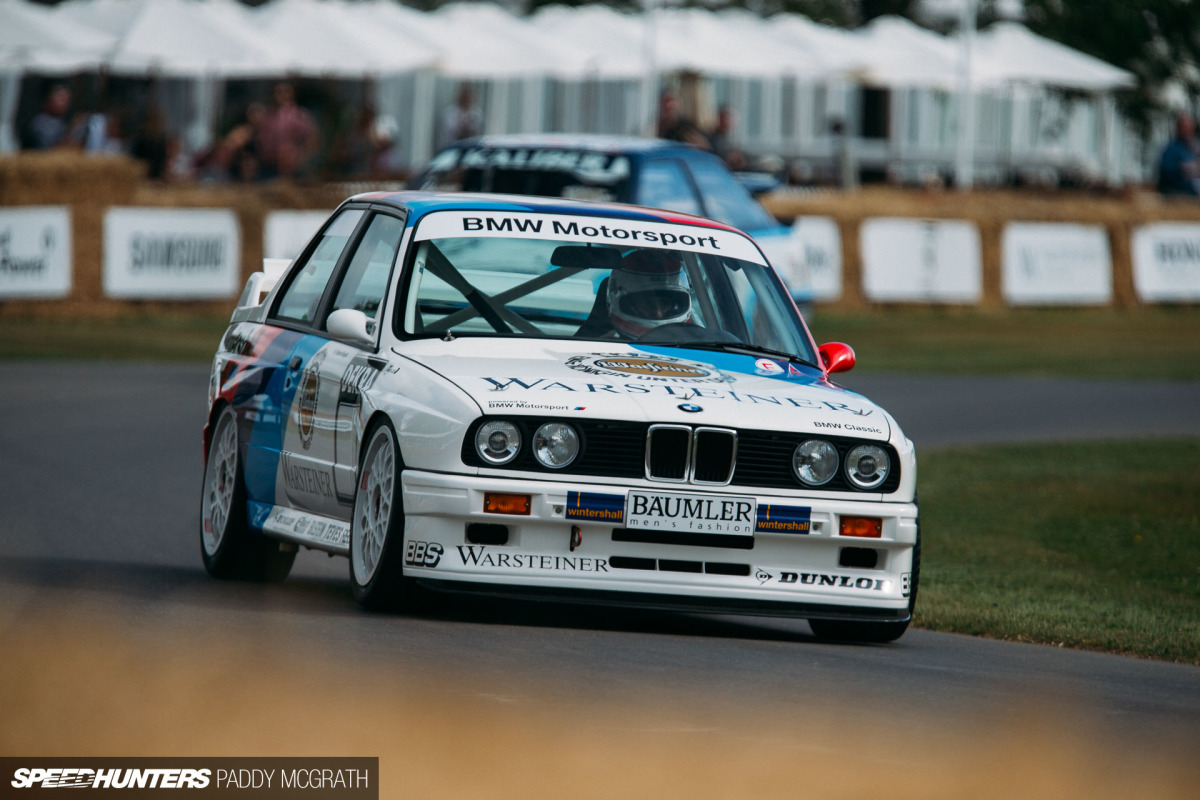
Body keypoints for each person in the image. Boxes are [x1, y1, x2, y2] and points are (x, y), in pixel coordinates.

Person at [576, 249, 693, 340]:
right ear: (628, 305)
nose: (658, 313)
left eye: (664, 303)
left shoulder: (695, 344)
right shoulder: (598, 349)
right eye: (648, 303)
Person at [261, 82, 319, 181]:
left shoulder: (299, 115)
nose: (283, 95)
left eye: (286, 91)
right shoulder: (268, 116)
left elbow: (314, 139)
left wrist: (301, 156)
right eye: (279, 92)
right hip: (271, 168)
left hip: (295, 168)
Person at [25, 84, 83, 150]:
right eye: (61, 99)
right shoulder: (40, 123)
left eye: (67, 100)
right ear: (48, 99)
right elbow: (49, 149)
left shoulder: (61, 122)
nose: (65, 103)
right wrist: (72, 128)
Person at [1157, 113, 1200, 197]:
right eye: (1185, 127)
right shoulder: (1171, 149)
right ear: (1178, 128)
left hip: (1192, 194)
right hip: (1176, 195)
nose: (1188, 131)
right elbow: (1165, 171)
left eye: (1191, 128)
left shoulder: (1192, 149)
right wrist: (1183, 169)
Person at [438, 84, 481, 149]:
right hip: (451, 146)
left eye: (469, 97)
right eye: (465, 97)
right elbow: (450, 130)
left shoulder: (475, 113)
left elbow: (476, 130)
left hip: (469, 148)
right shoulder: (451, 112)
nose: (467, 99)